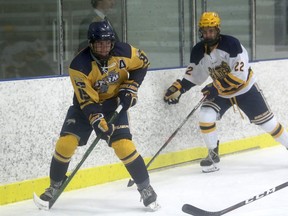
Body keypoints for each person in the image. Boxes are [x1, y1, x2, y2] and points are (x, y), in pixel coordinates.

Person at [40, 20, 159, 210]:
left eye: (107, 43)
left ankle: (145, 188)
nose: (104, 48)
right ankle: (55, 185)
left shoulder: (125, 52)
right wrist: (97, 121)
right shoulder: (79, 65)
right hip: (84, 107)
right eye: (99, 44)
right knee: (65, 144)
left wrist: (131, 86)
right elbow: (87, 101)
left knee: (123, 146)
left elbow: (143, 63)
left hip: (113, 105)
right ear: (91, 43)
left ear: (112, 42)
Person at [164, 12, 288, 173]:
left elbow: (240, 76)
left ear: (217, 30)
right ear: (200, 31)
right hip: (222, 94)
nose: (208, 34)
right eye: (205, 31)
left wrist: (215, 88)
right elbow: (194, 75)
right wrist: (179, 88)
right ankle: (213, 154)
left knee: (269, 124)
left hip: (246, 90)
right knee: (205, 116)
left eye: (211, 31)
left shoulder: (232, 44)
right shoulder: (198, 50)